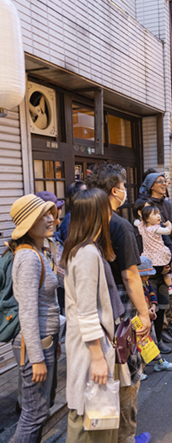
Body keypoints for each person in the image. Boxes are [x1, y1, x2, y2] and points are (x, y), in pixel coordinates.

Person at [86, 163, 151, 443]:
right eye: (124, 186)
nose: (126, 191)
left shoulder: (83, 222)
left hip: (93, 316)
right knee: (128, 376)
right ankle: (126, 437)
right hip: (121, 314)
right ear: (115, 190)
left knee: (105, 380)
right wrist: (144, 315)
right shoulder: (120, 226)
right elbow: (130, 275)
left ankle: (109, 436)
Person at [62, 189, 119, 442]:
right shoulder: (86, 253)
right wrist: (98, 357)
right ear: (97, 214)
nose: (112, 211)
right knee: (90, 417)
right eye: (107, 207)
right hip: (90, 350)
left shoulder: (82, 249)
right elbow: (86, 311)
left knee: (95, 415)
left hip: (90, 346)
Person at [9, 194, 59, 441]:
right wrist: (37, 358)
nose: (51, 218)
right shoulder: (28, 257)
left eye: (50, 213)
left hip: (43, 340)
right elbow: (27, 311)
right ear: (29, 224)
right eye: (43, 215)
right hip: (34, 344)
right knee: (33, 414)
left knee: (38, 412)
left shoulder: (39, 251)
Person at [138, 172, 172, 344]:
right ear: (151, 185)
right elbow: (168, 227)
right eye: (160, 182)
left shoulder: (165, 202)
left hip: (168, 252)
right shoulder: (146, 205)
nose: (165, 184)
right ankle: (161, 328)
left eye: (165, 181)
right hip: (158, 258)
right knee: (159, 297)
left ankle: (167, 322)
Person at [137, 256, 172, 376]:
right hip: (140, 318)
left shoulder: (146, 282)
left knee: (151, 340)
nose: (147, 277)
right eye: (145, 275)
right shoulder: (136, 285)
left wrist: (153, 307)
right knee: (140, 343)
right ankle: (139, 370)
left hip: (149, 316)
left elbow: (152, 294)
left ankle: (158, 361)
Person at [135, 206, 172, 295]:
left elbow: (136, 222)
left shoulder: (142, 227)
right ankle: (170, 285)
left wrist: (140, 220)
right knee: (167, 264)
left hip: (150, 256)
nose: (158, 216)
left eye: (158, 213)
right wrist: (169, 224)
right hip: (160, 254)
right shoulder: (155, 228)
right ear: (147, 218)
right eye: (154, 214)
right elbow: (168, 231)